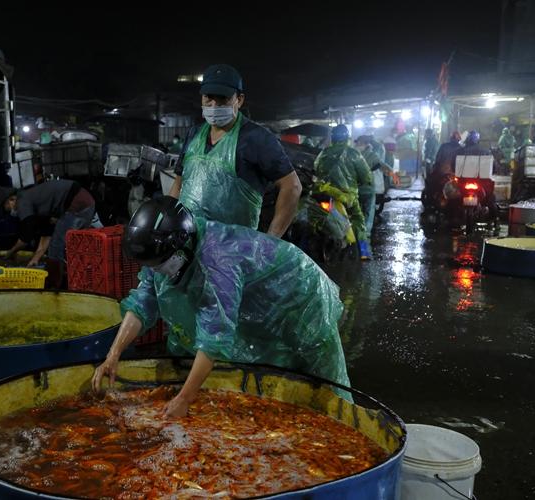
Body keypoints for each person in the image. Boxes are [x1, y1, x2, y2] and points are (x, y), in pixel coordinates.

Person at [91, 197, 350, 417]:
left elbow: (214, 337)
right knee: (269, 366)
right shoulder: (165, 256)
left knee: (322, 372)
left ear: (181, 249)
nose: (155, 272)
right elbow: (142, 303)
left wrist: (184, 399)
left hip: (301, 294)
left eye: (159, 265)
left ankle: (344, 423)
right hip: (258, 300)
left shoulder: (218, 261)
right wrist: (113, 355)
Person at [168, 64, 301, 236]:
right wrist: (167, 223)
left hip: (233, 252)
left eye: (223, 98)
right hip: (188, 243)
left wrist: (271, 240)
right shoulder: (194, 134)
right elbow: (178, 185)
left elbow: (292, 186)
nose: (214, 105)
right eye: (208, 97)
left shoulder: (257, 138)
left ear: (239, 99)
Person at [0, 180, 96, 268]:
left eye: (6, 207)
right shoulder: (38, 204)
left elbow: (26, 236)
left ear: (12, 199)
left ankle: (54, 285)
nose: (8, 211)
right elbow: (46, 234)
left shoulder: (22, 200)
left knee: (56, 247)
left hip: (77, 203)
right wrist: (34, 260)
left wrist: (10, 252)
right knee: (70, 245)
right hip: (85, 202)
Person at [315, 125, 374, 260]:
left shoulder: (323, 153)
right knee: (359, 219)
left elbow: (316, 169)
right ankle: (364, 252)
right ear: (347, 138)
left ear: (333, 138)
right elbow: (367, 177)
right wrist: (365, 182)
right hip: (347, 196)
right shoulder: (353, 154)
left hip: (325, 193)